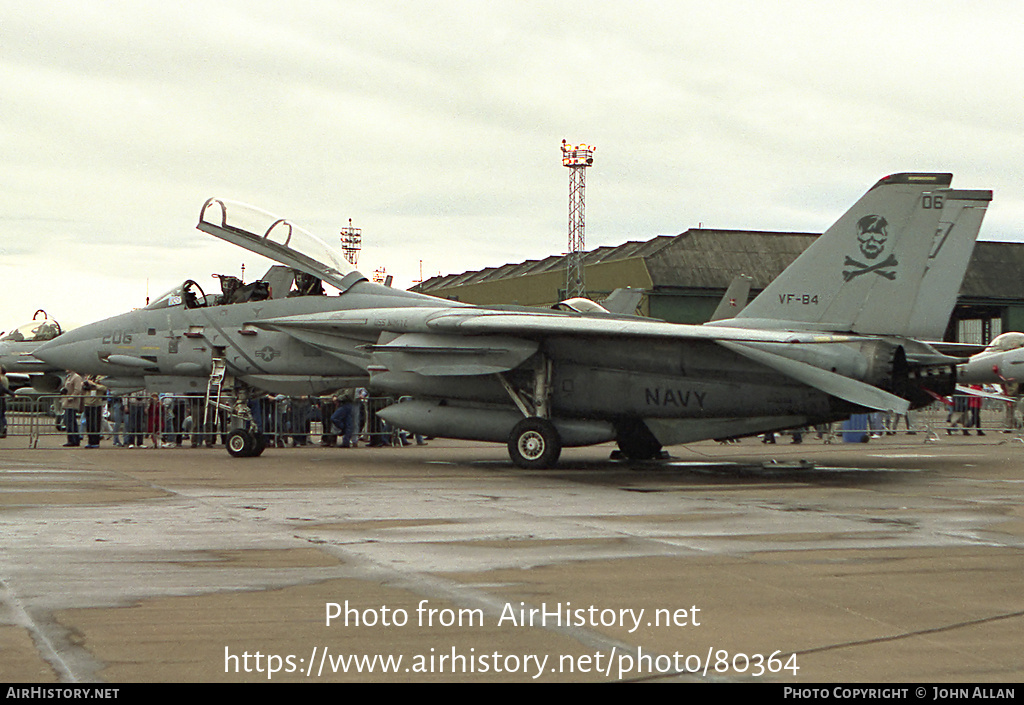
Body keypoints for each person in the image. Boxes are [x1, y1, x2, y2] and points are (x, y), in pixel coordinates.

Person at [81, 376, 107, 448]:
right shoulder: (88, 377)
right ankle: (90, 441)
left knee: (95, 423)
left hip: (96, 404)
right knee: (89, 424)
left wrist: (93, 385)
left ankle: (95, 441)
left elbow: (104, 388)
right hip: (87, 403)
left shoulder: (101, 378)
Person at [61, 370, 85, 447]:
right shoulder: (69, 377)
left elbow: (77, 389)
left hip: (72, 402)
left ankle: (73, 440)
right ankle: (73, 439)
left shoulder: (76, 377)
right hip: (67, 401)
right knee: (70, 421)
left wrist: (72, 397)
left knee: (70, 421)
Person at [0, 366, 15, 438]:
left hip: (1, 400)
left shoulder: (2, 379)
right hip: (3, 400)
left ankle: (2, 430)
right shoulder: (5, 378)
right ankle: (3, 429)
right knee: (2, 416)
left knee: (1, 416)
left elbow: (2, 389)